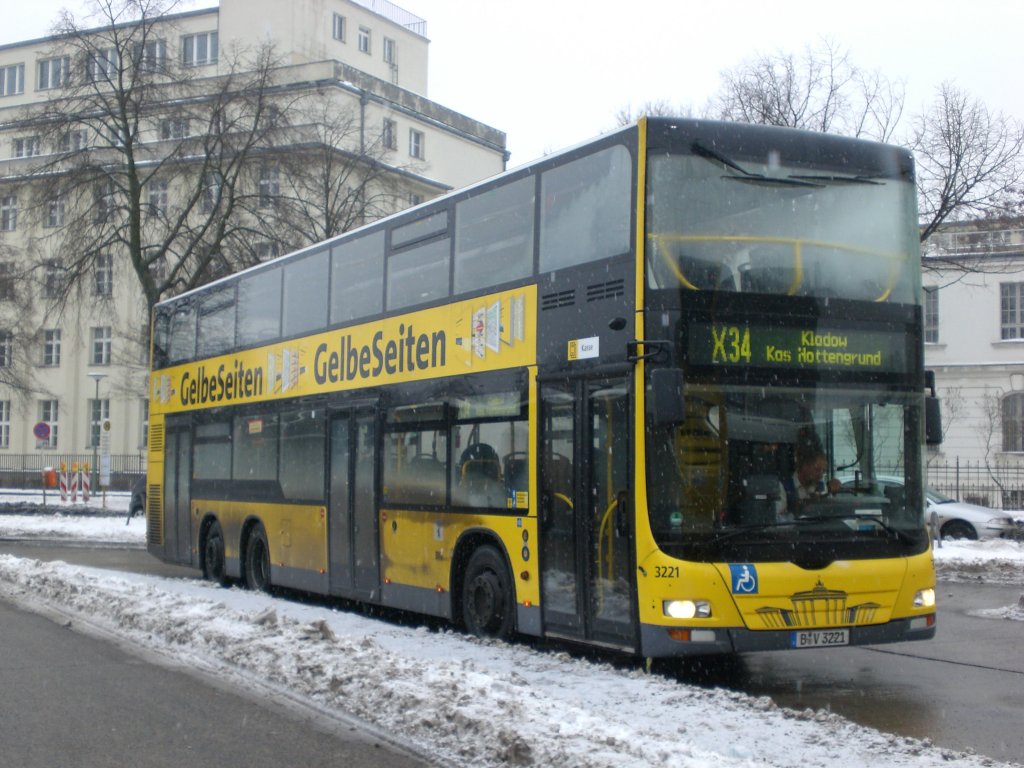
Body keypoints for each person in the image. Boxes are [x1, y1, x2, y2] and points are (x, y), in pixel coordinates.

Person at [781, 445, 840, 514]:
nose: (820, 475)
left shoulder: (821, 486)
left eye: (823, 471)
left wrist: (834, 489)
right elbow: (778, 519)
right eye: (817, 470)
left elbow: (829, 511)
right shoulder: (783, 487)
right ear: (804, 466)